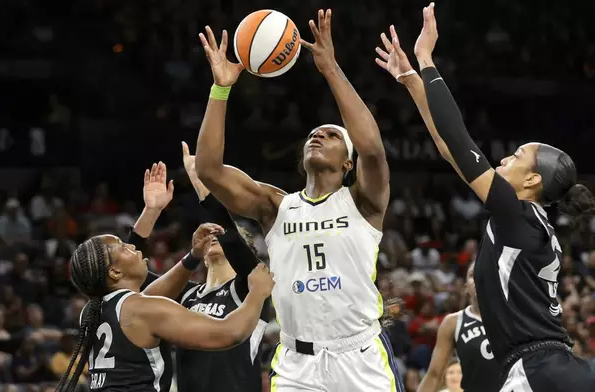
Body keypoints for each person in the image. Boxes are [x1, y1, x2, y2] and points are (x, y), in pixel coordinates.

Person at [375, 3, 595, 390]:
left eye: (518, 156)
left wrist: (426, 59)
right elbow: (449, 148)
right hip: (553, 367)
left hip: (537, 370)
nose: (505, 157)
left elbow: (459, 140)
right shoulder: (526, 221)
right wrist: (411, 80)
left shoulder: (518, 214)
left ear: (532, 182)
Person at [195, 9, 403, 392]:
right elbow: (208, 170)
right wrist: (221, 88)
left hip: (360, 358)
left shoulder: (363, 202)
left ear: (347, 164)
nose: (318, 135)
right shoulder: (275, 207)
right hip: (296, 365)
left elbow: (372, 148)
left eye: (331, 134)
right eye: (313, 133)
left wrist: (330, 70)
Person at [55, 166, 275, 392]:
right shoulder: (160, 302)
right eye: (123, 246)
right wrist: (259, 293)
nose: (131, 246)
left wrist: (156, 214)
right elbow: (229, 333)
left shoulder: (96, 308)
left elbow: (125, 273)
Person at [174, 141, 269, 392]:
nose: (215, 233)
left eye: (224, 234)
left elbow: (232, 241)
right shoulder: (186, 294)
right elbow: (136, 279)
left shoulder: (251, 286)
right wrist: (152, 210)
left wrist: (201, 184)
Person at [412, 263, 500, 392]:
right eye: (472, 275)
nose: (478, 277)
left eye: (484, 272)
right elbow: (434, 375)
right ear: (466, 288)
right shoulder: (453, 322)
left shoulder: (513, 318)